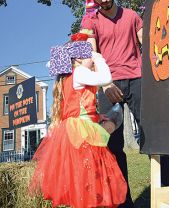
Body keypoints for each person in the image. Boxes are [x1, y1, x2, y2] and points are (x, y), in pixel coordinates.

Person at [80, 0, 169, 207]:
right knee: (112, 146)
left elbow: (147, 42)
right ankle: (123, 201)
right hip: (108, 86)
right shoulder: (91, 21)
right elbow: (92, 55)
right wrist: (104, 83)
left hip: (137, 79)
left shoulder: (132, 15)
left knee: (154, 134)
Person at [29, 35, 127, 208]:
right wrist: (99, 58)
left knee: (82, 176)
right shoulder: (80, 72)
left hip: (74, 131)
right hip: (81, 134)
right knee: (91, 175)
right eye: (90, 55)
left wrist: (96, 116)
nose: (93, 58)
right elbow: (106, 78)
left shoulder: (69, 78)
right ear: (80, 59)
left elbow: (78, 108)